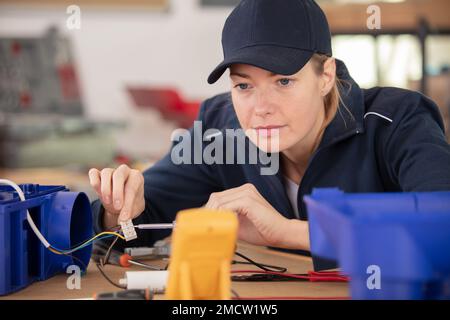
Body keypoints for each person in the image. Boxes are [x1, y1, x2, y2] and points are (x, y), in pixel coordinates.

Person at [88, 0, 450, 270]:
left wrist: (287, 231)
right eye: (244, 85)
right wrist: (117, 213)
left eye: (284, 81)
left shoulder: (397, 119)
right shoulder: (220, 128)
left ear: (326, 75)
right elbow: (133, 231)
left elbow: (442, 228)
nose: (261, 107)